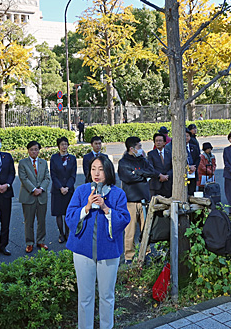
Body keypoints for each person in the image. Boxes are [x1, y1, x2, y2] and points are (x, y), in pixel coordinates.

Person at [66, 156, 131, 329]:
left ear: (108, 171)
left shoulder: (118, 194)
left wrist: (105, 208)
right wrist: (87, 206)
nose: (96, 173)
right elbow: (70, 217)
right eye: (93, 168)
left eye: (101, 169)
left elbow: (124, 219)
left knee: (107, 296)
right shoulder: (81, 191)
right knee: (85, 296)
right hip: (82, 250)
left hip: (108, 251)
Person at [117, 136, 157, 264]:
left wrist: (137, 173)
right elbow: (127, 178)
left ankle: (146, 253)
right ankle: (129, 256)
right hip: (130, 201)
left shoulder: (143, 160)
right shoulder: (123, 162)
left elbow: (152, 172)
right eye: (139, 146)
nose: (141, 149)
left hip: (144, 199)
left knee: (146, 229)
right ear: (132, 148)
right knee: (130, 231)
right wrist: (143, 176)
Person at [18, 141, 51, 253]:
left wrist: (41, 189)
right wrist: (33, 189)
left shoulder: (44, 162)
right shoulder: (22, 163)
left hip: (42, 195)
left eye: (36, 149)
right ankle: (29, 243)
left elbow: (47, 178)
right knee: (29, 221)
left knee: (41, 221)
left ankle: (41, 241)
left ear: (39, 151)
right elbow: (23, 178)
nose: (34, 152)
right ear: (28, 151)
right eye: (31, 149)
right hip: (28, 196)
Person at [50, 136, 77, 243]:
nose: (64, 146)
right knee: (58, 213)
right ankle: (61, 234)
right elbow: (53, 175)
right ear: (58, 146)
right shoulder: (54, 158)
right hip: (57, 190)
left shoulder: (72, 158)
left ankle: (68, 233)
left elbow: (73, 175)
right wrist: (61, 187)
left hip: (69, 190)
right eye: (62, 144)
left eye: (66, 144)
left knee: (68, 212)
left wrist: (67, 187)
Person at [147, 133, 173, 198]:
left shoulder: (169, 153)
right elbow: (150, 168)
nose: (158, 142)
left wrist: (167, 176)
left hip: (168, 184)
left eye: (160, 141)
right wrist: (160, 175)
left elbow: (173, 167)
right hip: (156, 184)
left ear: (164, 143)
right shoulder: (151, 154)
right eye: (156, 141)